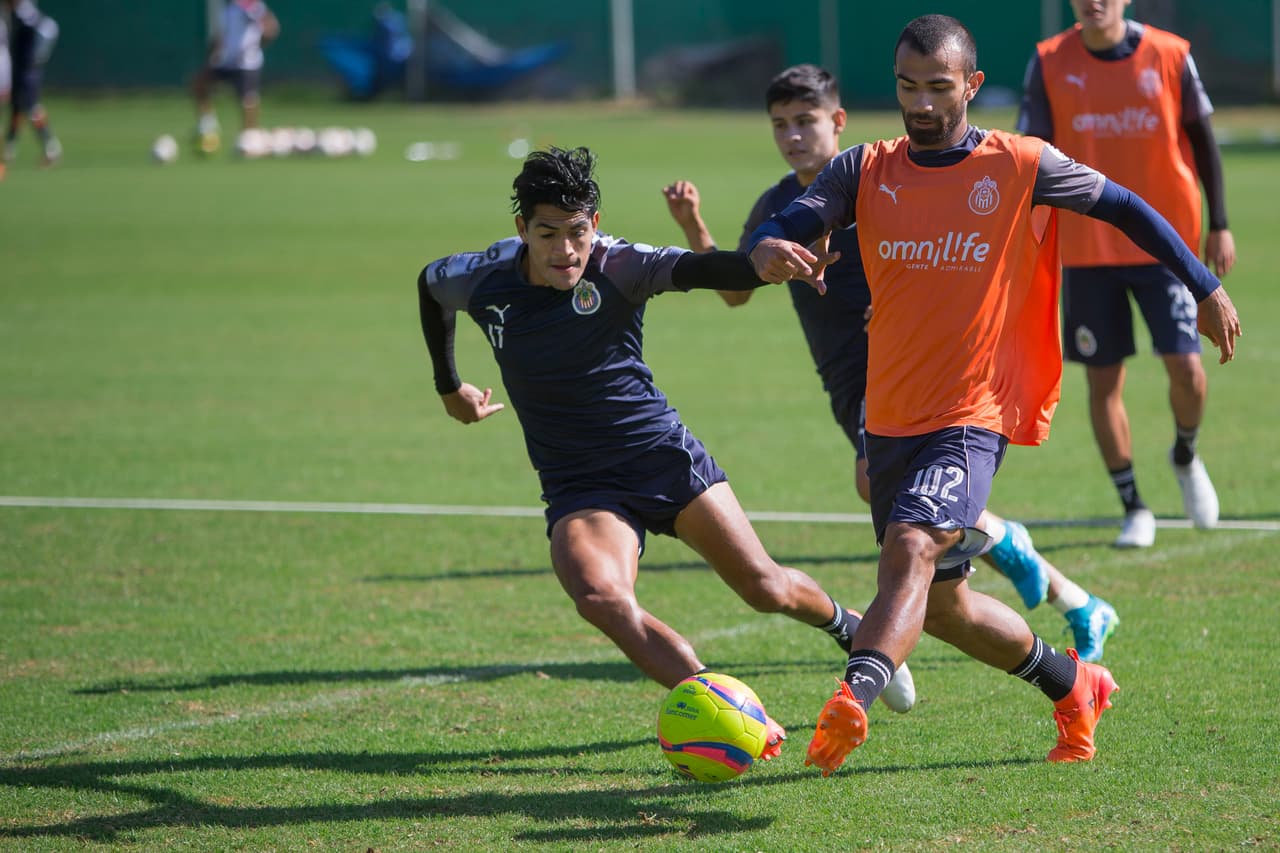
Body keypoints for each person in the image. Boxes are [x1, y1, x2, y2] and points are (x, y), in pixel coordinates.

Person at [746, 15, 1240, 774]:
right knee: (944, 608)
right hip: (889, 416)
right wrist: (770, 244)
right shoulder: (863, 169)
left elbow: (1127, 206)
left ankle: (854, 693)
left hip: (975, 412)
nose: (921, 102)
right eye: (908, 85)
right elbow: (791, 217)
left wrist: (1201, 283)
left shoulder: (1020, 164)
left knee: (911, 548)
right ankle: (1075, 684)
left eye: (938, 87)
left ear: (972, 86)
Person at [416, 146, 917, 761]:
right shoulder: (482, 277)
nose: (565, 251)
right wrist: (449, 387)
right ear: (522, 230)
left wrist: (766, 264)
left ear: (593, 224)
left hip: (662, 458)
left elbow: (708, 272)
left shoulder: (620, 264)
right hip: (580, 485)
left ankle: (848, 627)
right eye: (547, 234)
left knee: (764, 587)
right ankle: (725, 710)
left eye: (577, 233)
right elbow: (429, 288)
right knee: (600, 596)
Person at [663, 63, 1118, 663]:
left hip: (908, 373)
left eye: (806, 122)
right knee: (913, 514)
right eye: (780, 125)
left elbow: (950, 261)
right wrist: (696, 228)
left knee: (891, 497)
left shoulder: (874, 179)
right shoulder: (781, 203)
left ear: (838, 121)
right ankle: (1062, 590)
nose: (793, 136)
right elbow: (736, 290)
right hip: (846, 378)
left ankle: (958, 587)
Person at [1016, 0, 1234, 548]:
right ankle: (1134, 504)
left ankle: (1185, 453)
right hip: (1089, 251)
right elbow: (1031, 157)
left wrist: (1221, 224)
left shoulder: (1169, 55)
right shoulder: (1048, 61)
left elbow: (1204, 142)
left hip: (1168, 246)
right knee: (1102, 380)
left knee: (1188, 369)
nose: (1094, 2)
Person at [192, 0, 279, 155]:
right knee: (200, 84)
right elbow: (222, 34)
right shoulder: (228, 8)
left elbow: (270, 27)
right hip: (225, 60)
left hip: (246, 63)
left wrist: (255, 47)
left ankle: (249, 139)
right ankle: (207, 126)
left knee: (248, 102)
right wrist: (212, 55)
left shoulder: (249, 5)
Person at [3, 0, 60, 168]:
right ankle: (8, 148)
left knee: (32, 108)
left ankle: (51, 147)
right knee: (16, 108)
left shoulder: (26, 14)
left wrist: (39, 56)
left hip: (28, 71)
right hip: (18, 68)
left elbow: (50, 28)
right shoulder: (13, 14)